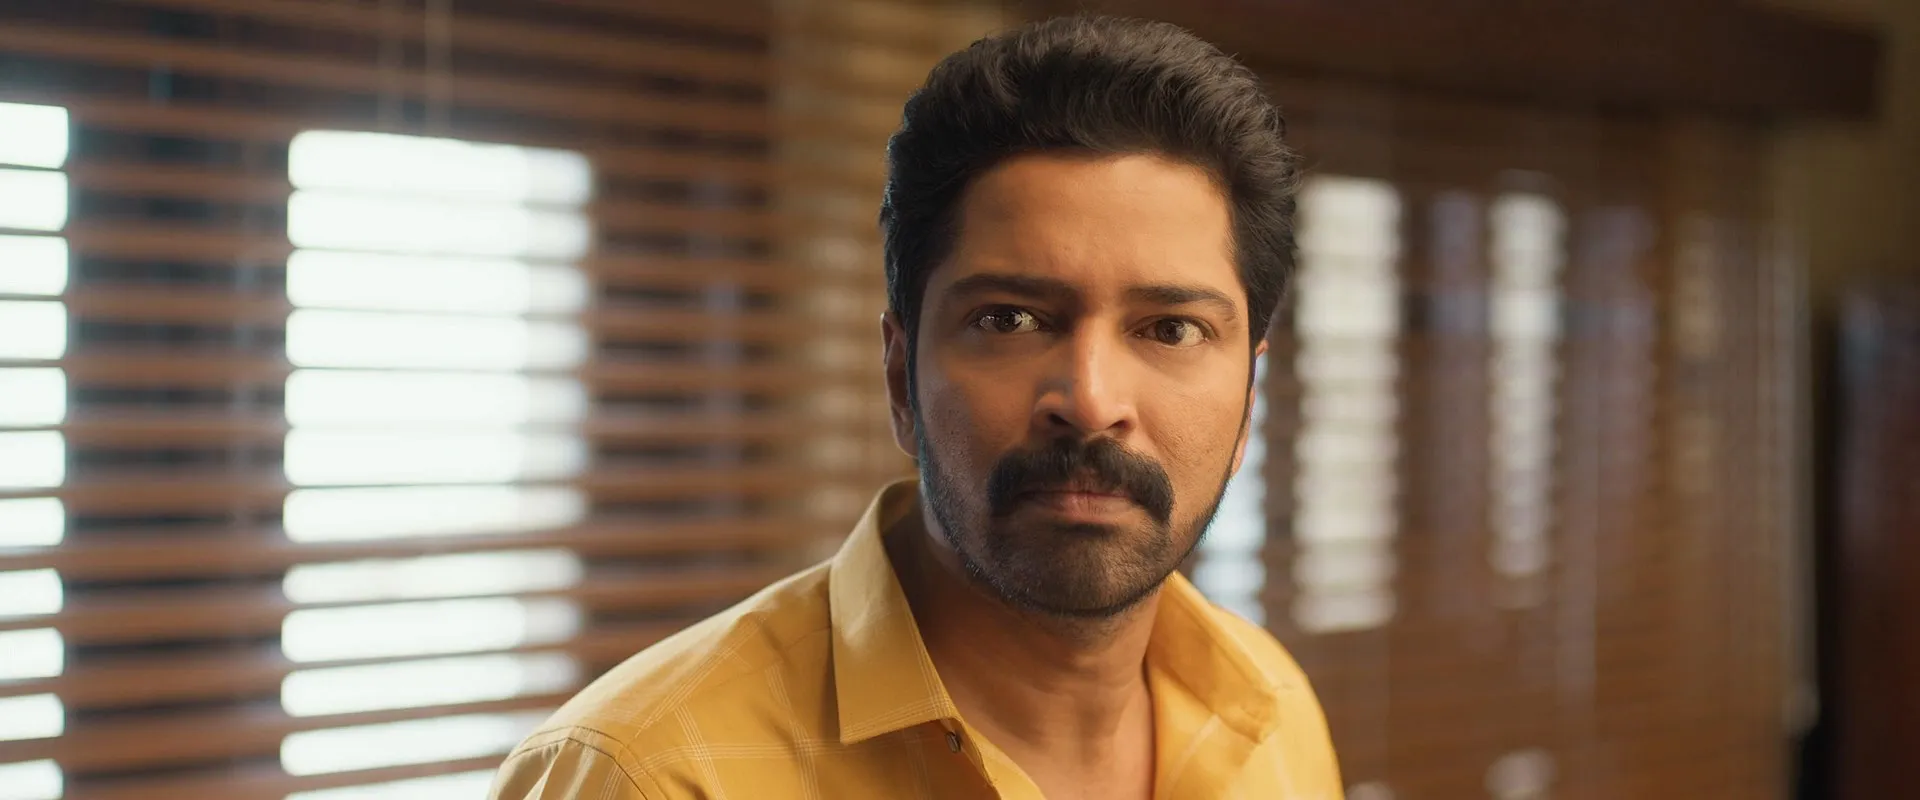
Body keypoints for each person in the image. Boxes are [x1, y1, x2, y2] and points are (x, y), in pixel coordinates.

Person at [490, 15, 1340, 799]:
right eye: (1009, 319)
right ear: (901, 377)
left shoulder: (1272, 712)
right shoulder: (647, 776)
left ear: (1249, 400)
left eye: (1171, 329)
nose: (1090, 402)